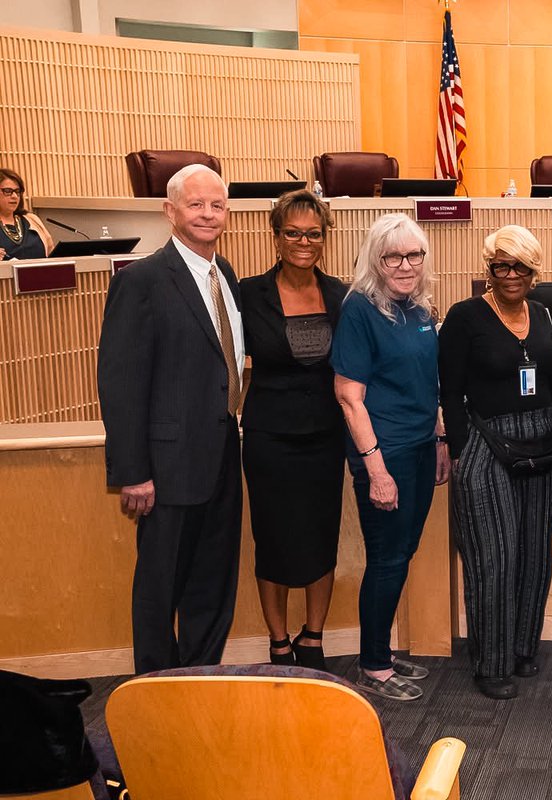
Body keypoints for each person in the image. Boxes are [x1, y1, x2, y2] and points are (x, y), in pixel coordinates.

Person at [97, 164, 244, 674]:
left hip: (223, 455)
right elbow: (121, 383)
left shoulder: (224, 274)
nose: (208, 214)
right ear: (170, 211)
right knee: (161, 588)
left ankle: (200, 679)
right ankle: (157, 689)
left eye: (217, 205)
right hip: (164, 467)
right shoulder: (140, 281)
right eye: (196, 204)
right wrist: (133, 470)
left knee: (213, 582)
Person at [439, 224, 552, 699]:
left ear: (535, 270)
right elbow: (450, 390)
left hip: (543, 444)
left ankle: (521, 647)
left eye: (520, 265)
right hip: (487, 446)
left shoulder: (540, 313)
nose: (510, 273)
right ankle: (491, 663)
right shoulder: (465, 316)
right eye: (501, 264)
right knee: (493, 557)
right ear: (489, 268)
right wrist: (460, 451)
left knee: (534, 553)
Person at [332, 212, 450, 701]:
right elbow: (348, 396)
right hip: (386, 456)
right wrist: (377, 470)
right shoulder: (360, 309)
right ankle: (374, 665)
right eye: (393, 256)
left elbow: (431, 386)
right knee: (386, 559)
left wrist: (441, 439)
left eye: (414, 255)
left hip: (421, 448)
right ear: (375, 260)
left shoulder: (419, 310)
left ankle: (378, 650)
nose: (405, 265)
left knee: (402, 556)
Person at [240, 190, 347, 670]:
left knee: (322, 536)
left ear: (324, 238)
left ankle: (314, 637)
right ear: (276, 236)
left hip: (326, 438)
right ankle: (279, 640)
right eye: (293, 233)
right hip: (270, 440)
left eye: (313, 233)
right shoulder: (247, 294)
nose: (304, 242)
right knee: (274, 539)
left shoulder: (340, 294)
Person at [0, 168, 54, 260]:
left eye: (17, 192)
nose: (14, 196)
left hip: (41, 273)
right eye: (8, 191)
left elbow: (51, 253)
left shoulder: (32, 219)